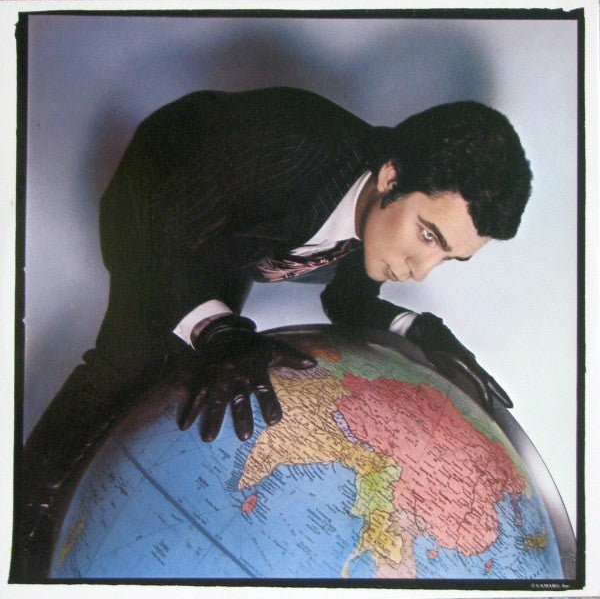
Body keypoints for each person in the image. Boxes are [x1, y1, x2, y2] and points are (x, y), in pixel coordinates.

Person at [12, 86, 532, 580]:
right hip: (155, 202)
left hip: (231, 235)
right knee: (131, 359)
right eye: (427, 235)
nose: (421, 270)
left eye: (448, 257)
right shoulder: (294, 149)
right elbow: (161, 230)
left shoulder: (378, 213)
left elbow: (347, 302)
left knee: (195, 373)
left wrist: (421, 330)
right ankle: (19, 532)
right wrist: (216, 328)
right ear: (391, 176)